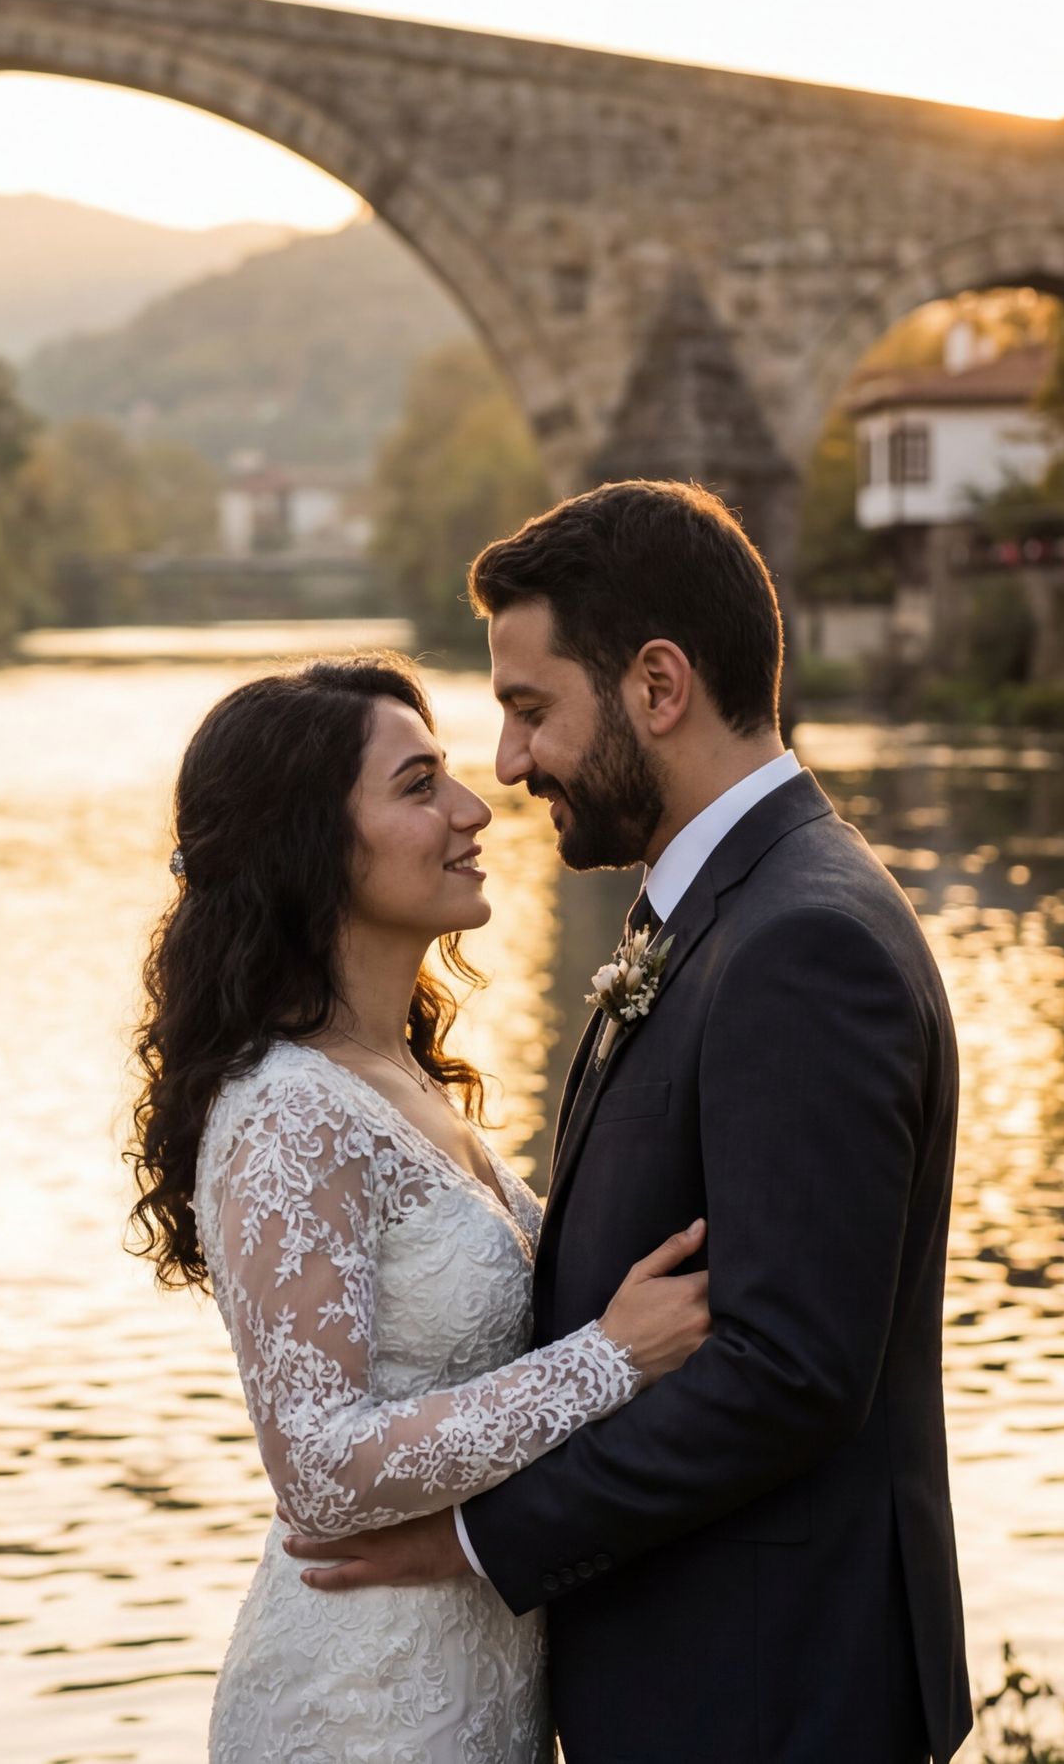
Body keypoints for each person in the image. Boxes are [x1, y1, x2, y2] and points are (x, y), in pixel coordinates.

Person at [280, 481, 972, 1762]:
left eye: (532, 709)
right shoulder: (716, 906)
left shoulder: (802, 941)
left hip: (767, 1690)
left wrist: (482, 1541)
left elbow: (790, 1371)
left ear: (659, 686)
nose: (508, 765)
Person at [127, 651, 713, 1763]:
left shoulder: (395, 1074)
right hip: (360, 1707)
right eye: (416, 787)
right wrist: (608, 1359)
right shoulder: (288, 1110)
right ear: (311, 846)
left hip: (478, 1677)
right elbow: (319, 1466)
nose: (471, 808)